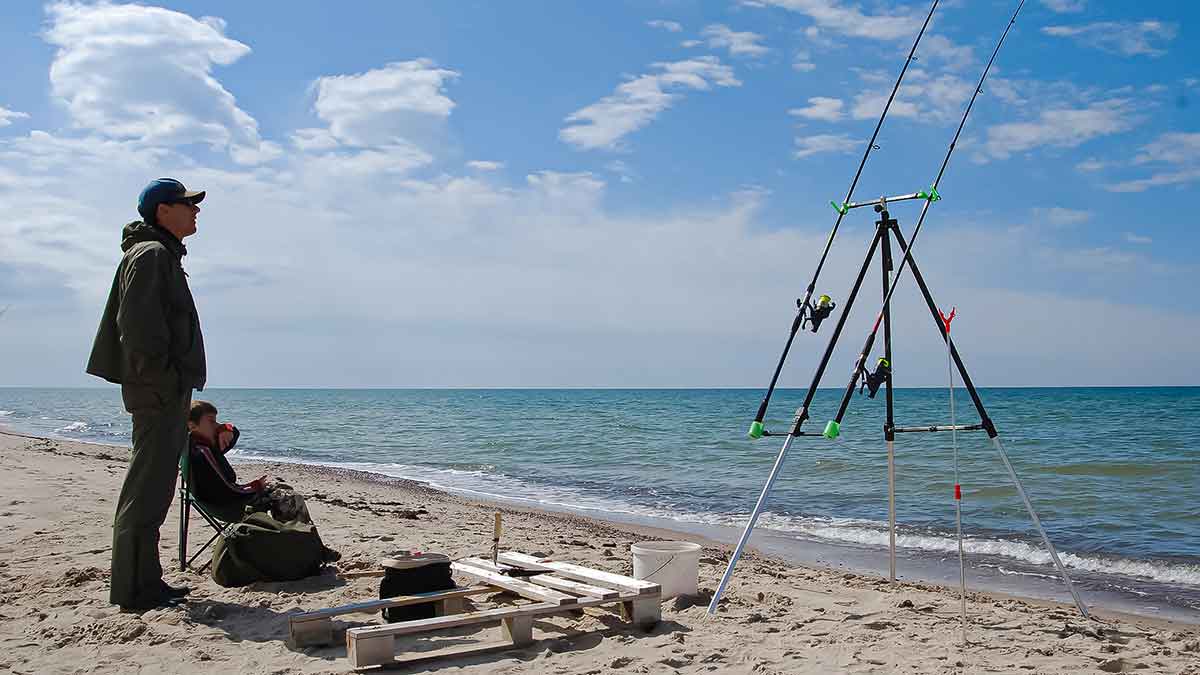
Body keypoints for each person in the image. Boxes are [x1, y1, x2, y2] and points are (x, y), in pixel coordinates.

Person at [86, 178, 207, 611]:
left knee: (154, 487)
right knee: (147, 487)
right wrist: (165, 379)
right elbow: (136, 327)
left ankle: (144, 582)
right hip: (158, 390)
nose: (195, 211)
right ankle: (135, 588)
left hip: (162, 388)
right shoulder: (152, 254)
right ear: (162, 211)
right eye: (186, 204)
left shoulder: (159, 254)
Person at [187, 401, 340, 562]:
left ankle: (305, 546)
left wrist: (228, 428)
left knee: (283, 489)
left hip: (221, 501)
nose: (216, 425)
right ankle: (311, 549)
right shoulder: (203, 452)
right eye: (211, 421)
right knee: (291, 499)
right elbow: (227, 489)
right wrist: (255, 487)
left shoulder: (200, 445)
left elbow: (231, 439)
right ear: (192, 426)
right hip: (230, 506)